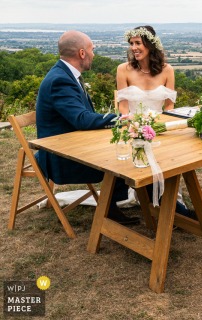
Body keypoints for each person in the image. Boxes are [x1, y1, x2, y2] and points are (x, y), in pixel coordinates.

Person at [35, 30, 139, 226]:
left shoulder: (66, 74)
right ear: (82, 53)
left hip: (72, 145)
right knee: (122, 155)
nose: (94, 54)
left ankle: (115, 205)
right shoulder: (60, 80)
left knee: (125, 148)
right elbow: (81, 119)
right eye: (92, 49)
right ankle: (111, 208)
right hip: (60, 158)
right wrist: (121, 119)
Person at [116, 25, 197, 219]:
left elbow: (169, 107)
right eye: (131, 44)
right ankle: (173, 210)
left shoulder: (167, 70)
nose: (133, 47)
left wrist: (164, 128)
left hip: (160, 127)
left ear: (150, 45)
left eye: (138, 43)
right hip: (133, 129)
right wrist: (132, 127)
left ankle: (170, 203)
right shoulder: (123, 70)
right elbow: (123, 107)